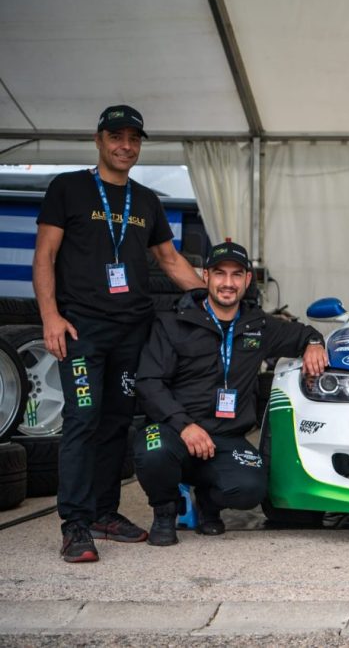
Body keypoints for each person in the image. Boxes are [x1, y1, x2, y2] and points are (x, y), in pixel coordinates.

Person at [33, 105, 205, 563]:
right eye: (116, 137)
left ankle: (104, 513)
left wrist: (213, 297)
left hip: (134, 331)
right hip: (82, 329)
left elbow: (170, 261)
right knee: (83, 420)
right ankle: (74, 524)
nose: (125, 146)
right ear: (98, 139)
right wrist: (50, 315)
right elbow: (45, 256)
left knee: (115, 425)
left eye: (133, 138)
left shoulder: (146, 200)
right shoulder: (67, 187)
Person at [133, 241, 328, 546]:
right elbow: (147, 382)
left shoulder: (257, 325)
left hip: (226, 437)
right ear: (206, 276)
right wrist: (184, 425)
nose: (228, 283)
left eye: (237, 275)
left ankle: (208, 505)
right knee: (152, 451)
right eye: (220, 274)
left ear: (247, 280)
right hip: (177, 430)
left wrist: (315, 343)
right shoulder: (173, 323)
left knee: (251, 489)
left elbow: (304, 333)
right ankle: (165, 511)